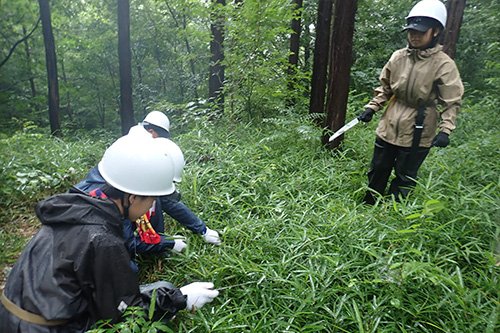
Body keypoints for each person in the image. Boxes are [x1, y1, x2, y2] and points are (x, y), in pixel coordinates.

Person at [0, 135, 219, 332]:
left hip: (13, 314)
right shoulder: (103, 239)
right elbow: (124, 314)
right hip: (43, 328)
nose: (152, 206)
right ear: (132, 198)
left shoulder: (79, 206)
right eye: (151, 200)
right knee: (163, 298)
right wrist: (181, 299)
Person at [358, 0, 464, 204]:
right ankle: (370, 204)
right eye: (411, 31)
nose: (414, 35)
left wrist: (445, 130)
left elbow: (451, 100)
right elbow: (385, 88)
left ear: (435, 32)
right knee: (378, 168)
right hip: (390, 123)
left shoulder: (444, 64)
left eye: (420, 32)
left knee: (405, 175)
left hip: (420, 126)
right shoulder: (398, 57)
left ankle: (394, 213)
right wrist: (372, 107)